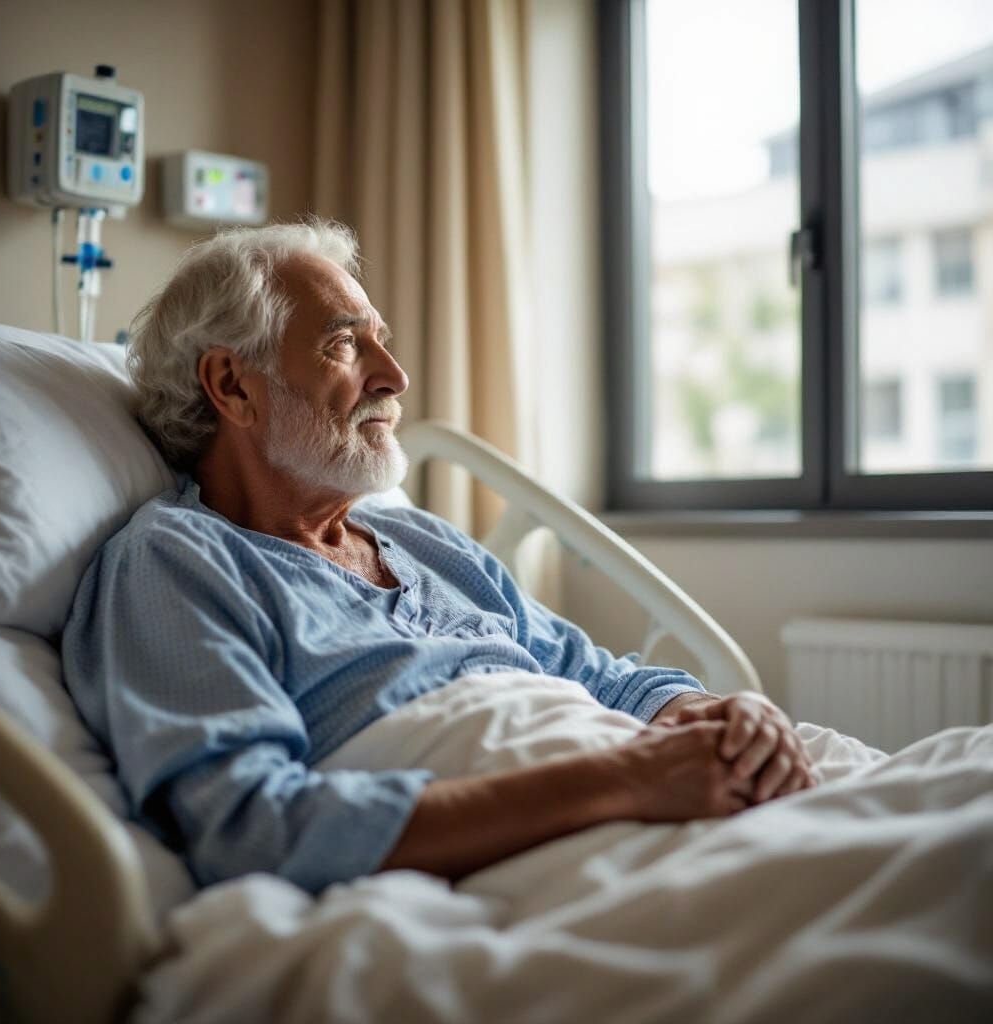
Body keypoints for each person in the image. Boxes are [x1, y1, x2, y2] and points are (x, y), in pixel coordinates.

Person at [61, 219, 817, 897]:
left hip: (646, 791)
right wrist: (631, 779)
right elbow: (252, 827)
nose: (395, 377)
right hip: (573, 838)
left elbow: (602, 679)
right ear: (232, 385)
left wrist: (722, 718)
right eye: (344, 343)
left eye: (380, 339)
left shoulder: (430, 545)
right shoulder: (175, 565)